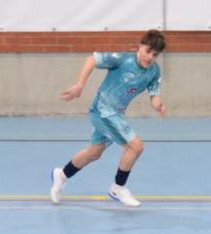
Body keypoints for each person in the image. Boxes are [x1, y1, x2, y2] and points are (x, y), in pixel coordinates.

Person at [49, 30, 168, 209]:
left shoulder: (153, 71)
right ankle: (118, 187)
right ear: (141, 45)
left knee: (94, 153)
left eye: (155, 54)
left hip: (116, 114)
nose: (150, 57)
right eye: (148, 51)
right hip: (102, 111)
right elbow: (91, 59)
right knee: (135, 146)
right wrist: (80, 85)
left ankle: (62, 175)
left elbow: (154, 95)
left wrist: (158, 105)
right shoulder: (122, 59)